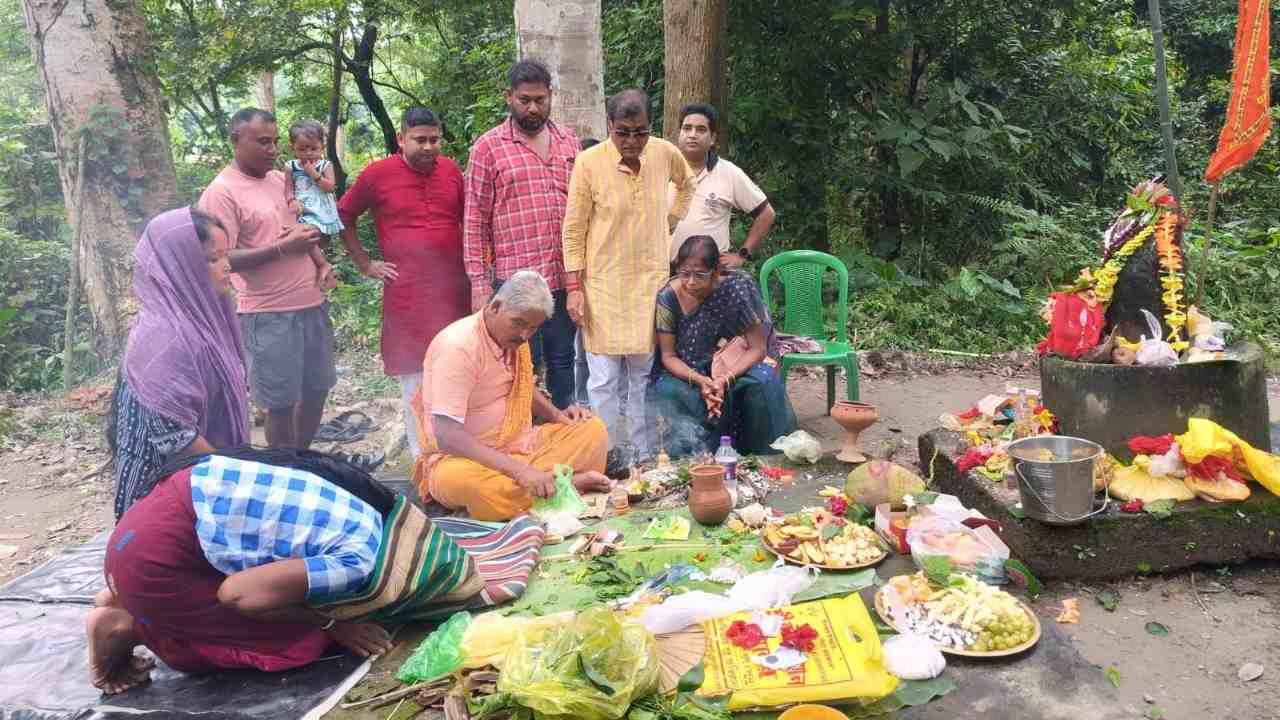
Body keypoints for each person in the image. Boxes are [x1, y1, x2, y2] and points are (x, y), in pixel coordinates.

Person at [87, 447, 518, 695]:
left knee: (278, 592)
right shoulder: (361, 560)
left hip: (152, 519)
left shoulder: (369, 507)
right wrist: (333, 624)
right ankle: (123, 624)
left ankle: (122, 592)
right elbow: (236, 594)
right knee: (296, 643)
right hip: (155, 561)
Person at [411, 271, 613, 521]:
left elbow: (522, 388)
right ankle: (569, 483)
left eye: (533, 328)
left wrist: (562, 419)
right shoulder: (459, 347)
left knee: (592, 429)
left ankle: (541, 488)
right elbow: (447, 436)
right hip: (465, 459)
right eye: (519, 323)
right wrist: (520, 472)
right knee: (480, 489)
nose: (525, 335)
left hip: (520, 445)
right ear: (495, 306)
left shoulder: (515, 339)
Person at [562, 89, 695, 465]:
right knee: (602, 379)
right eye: (623, 132)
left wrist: (669, 221)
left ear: (650, 127)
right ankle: (602, 455)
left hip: (649, 284)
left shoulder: (665, 153)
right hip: (602, 285)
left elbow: (687, 184)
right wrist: (574, 287)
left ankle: (638, 454)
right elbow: (573, 229)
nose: (632, 141)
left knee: (641, 376)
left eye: (640, 132)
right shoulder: (588, 162)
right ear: (609, 126)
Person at [199, 108, 335, 450]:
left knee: (317, 389)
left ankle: (303, 463)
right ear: (235, 140)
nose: (273, 150)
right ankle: (285, 473)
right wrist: (282, 248)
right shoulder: (221, 192)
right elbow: (219, 258)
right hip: (267, 314)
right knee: (280, 403)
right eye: (262, 142)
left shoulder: (280, 179)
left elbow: (305, 226)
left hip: (312, 302)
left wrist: (319, 248)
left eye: (275, 142)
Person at [338, 107, 470, 460]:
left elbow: (467, 221)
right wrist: (366, 264)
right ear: (401, 139)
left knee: (457, 370)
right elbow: (344, 214)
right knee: (414, 378)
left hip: (454, 291)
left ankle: (459, 458)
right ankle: (422, 461)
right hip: (408, 295)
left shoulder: (452, 171)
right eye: (420, 140)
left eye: (434, 139)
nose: (429, 147)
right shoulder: (378, 174)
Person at [107, 207, 250, 520]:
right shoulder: (165, 338)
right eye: (212, 259)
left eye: (225, 256)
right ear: (178, 267)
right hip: (161, 506)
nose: (226, 267)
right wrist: (244, 484)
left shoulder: (205, 320)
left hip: (203, 481)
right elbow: (175, 438)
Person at [464, 60, 580, 409]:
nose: (533, 108)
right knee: (517, 367)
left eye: (540, 100)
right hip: (516, 284)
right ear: (509, 98)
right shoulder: (488, 147)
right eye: (524, 99)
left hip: (563, 279)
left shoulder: (568, 142)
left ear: (550, 97)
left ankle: (566, 440)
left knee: (564, 363)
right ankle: (521, 443)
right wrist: (478, 285)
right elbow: (473, 219)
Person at [647, 235, 798, 457]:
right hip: (687, 370)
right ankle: (696, 461)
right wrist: (702, 381)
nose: (690, 282)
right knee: (669, 392)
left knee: (762, 384)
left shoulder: (738, 287)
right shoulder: (667, 298)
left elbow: (758, 348)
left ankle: (764, 457)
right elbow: (668, 356)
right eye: (684, 274)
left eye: (699, 275)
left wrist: (723, 379)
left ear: (716, 272)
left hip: (734, 364)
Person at [669, 103, 775, 267]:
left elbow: (766, 214)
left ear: (712, 138)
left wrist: (743, 254)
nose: (692, 135)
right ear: (679, 134)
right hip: (664, 271)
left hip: (711, 276)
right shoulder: (664, 169)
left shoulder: (728, 173)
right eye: (687, 128)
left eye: (701, 129)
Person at [284, 119, 344, 238]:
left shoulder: (325, 165)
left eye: (313, 148)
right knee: (305, 238)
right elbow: (288, 188)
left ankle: (320, 257)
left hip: (321, 210)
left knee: (317, 239)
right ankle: (319, 257)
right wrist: (291, 201)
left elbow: (330, 188)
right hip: (302, 208)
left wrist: (313, 173)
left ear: (322, 147)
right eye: (302, 149)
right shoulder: (290, 166)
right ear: (292, 148)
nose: (308, 153)